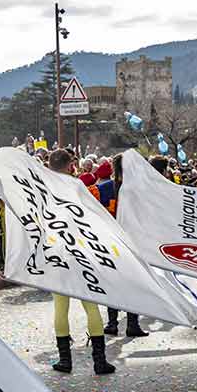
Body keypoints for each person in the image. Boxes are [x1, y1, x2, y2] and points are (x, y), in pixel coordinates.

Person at [45, 148, 114, 375]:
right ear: (69, 166)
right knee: (91, 305)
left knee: (60, 307)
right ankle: (99, 361)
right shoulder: (80, 188)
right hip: (82, 250)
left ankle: (65, 360)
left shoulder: (43, 188)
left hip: (57, 251)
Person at [101, 155, 147, 337]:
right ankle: (132, 324)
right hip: (132, 243)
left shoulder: (103, 189)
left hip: (110, 242)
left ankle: (112, 323)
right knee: (134, 284)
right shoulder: (139, 190)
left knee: (113, 283)